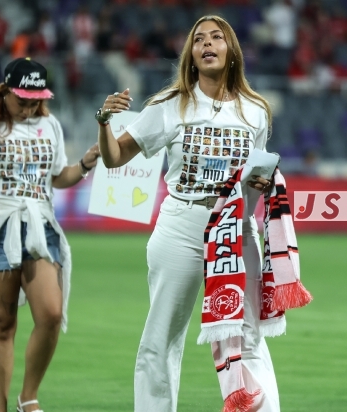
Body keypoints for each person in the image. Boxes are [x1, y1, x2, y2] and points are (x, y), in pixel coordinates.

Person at [96, 15, 279, 412]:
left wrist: (261, 183)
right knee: (162, 339)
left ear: (231, 51)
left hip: (236, 230)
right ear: (191, 55)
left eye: (216, 37)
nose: (207, 44)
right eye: (199, 39)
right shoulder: (168, 105)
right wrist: (105, 123)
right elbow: (114, 157)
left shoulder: (256, 110)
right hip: (182, 224)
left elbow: (256, 172)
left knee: (248, 339)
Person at [0, 57, 100, 412]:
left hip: (40, 224)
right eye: (23, 100)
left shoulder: (49, 125)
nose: (30, 107)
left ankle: (28, 397)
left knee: (51, 314)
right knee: (2, 322)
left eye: (36, 100)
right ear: (4, 92)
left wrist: (83, 165)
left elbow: (57, 177)